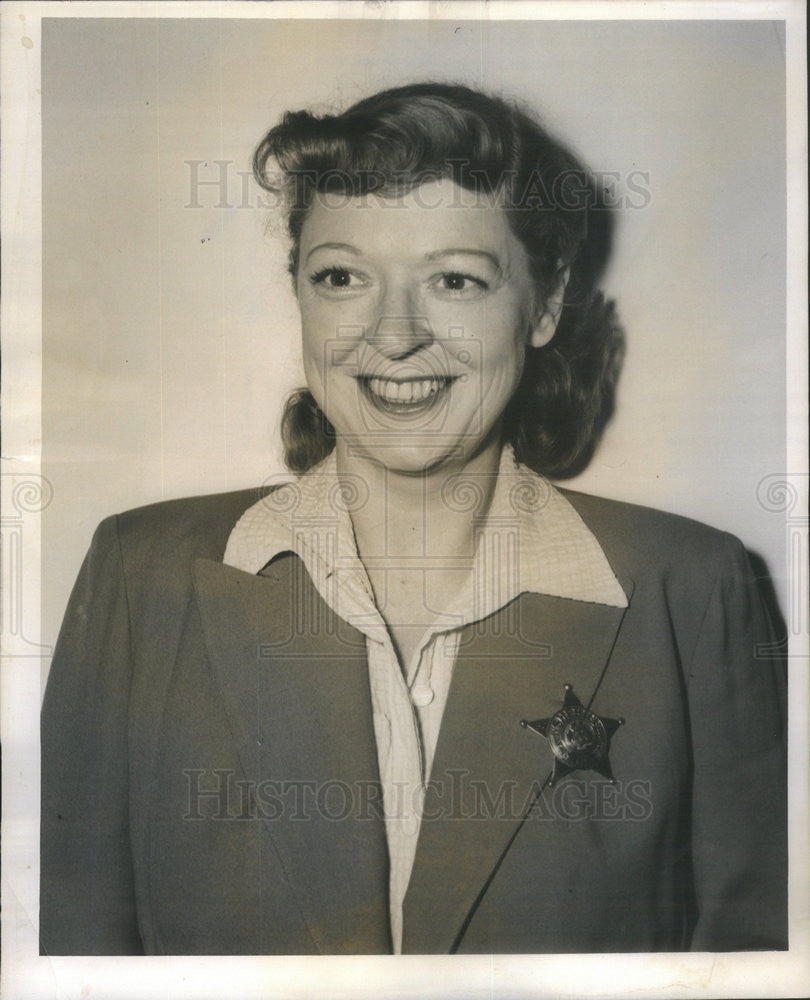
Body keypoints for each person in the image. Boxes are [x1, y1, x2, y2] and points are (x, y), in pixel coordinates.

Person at [40, 82, 787, 956]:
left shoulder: (691, 589)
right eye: (342, 276)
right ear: (301, 296)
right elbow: (70, 942)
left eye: (455, 280)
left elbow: (759, 950)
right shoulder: (141, 576)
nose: (393, 336)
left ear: (544, 307)